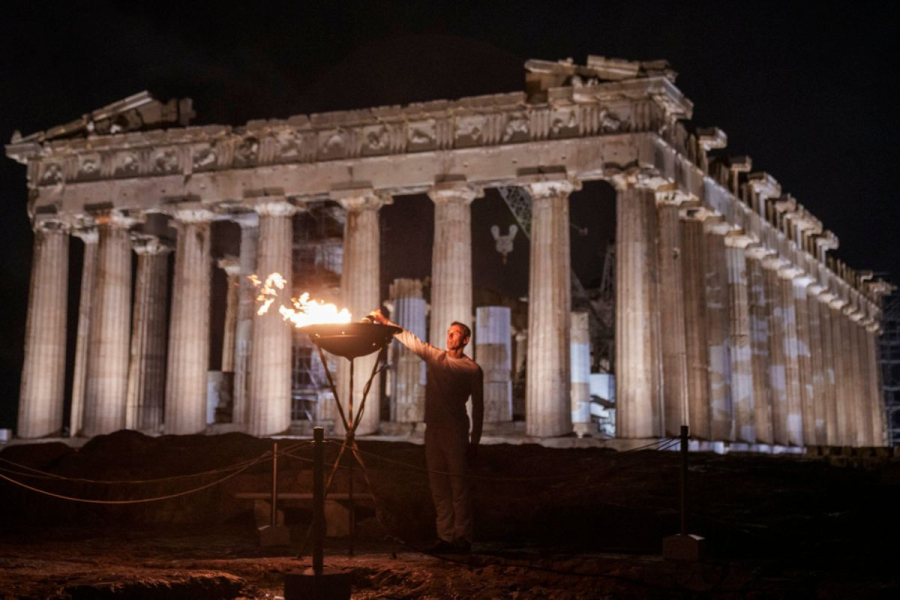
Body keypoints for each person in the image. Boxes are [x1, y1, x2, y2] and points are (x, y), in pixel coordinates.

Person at [369, 309, 484, 554]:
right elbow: (410, 339)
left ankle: (463, 538)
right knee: (438, 486)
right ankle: (445, 537)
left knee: (459, 486)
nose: (450, 337)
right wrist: (385, 322)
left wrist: (475, 442)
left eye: (456, 334)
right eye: (449, 333)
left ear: (465, 340)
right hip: (433, 429)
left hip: (456, 431)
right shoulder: (435, 357)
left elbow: (479, 407)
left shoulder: (472, 369)